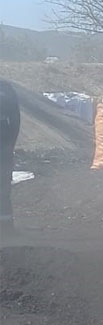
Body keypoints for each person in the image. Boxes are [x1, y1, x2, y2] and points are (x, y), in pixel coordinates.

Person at [0, 79, 19, 237]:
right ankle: (6, 227)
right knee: (3, 186)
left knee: (3, 184)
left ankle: (6, 226)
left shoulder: (6, 88)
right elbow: (15, 120)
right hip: (4, 139)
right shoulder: (6, 88)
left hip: (4, 141)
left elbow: (15, 118)